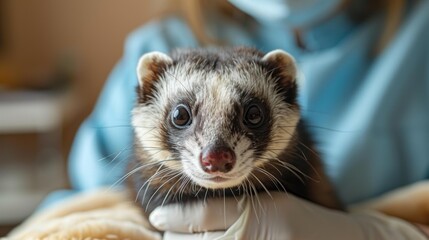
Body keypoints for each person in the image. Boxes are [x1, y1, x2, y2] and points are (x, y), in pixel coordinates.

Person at [46, 0, 429, 238]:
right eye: (181, 117)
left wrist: (376, 237)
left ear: (287, 95)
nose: (215, 154)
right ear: (146, 97)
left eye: (253, 115)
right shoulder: (154, 42)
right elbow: (75, 211)